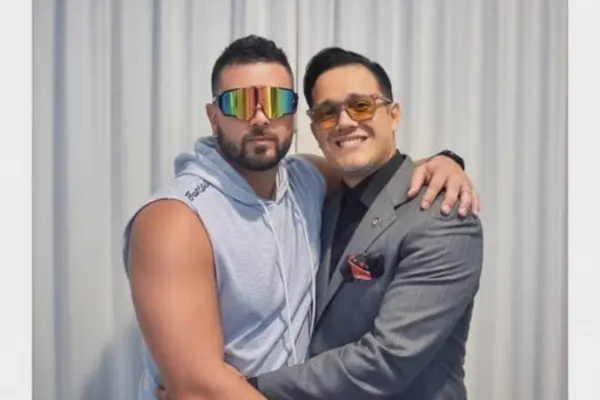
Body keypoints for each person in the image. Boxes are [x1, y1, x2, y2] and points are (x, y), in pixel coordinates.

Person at [125, 35, 479, 400]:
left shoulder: (305, 180)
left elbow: (377, 173)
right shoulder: (175, 221)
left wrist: (445, 162)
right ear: (214, 117)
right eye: (240, 102)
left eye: (276, 101)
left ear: (294, 114)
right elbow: (197, 390)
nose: (260, 117)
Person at [243, 48, 484, 399]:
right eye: (327, 112)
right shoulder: (318, 201)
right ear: (315, 130)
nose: (344, 122)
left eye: (360, 106)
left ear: (393, 114)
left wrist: (244, 389)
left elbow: (387, 360)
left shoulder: (444, 217)